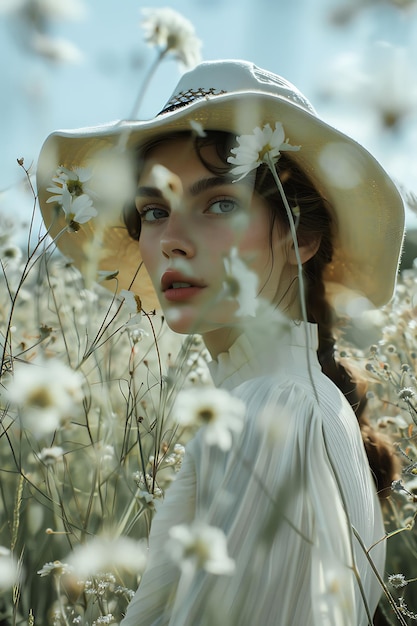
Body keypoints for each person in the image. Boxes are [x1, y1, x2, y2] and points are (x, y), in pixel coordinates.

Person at [36, 60, 405, 625]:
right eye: (155, 211)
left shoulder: (278, 414)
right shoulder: (271, 403)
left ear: (300, 235)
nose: (173, 242)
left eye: (220, 204)